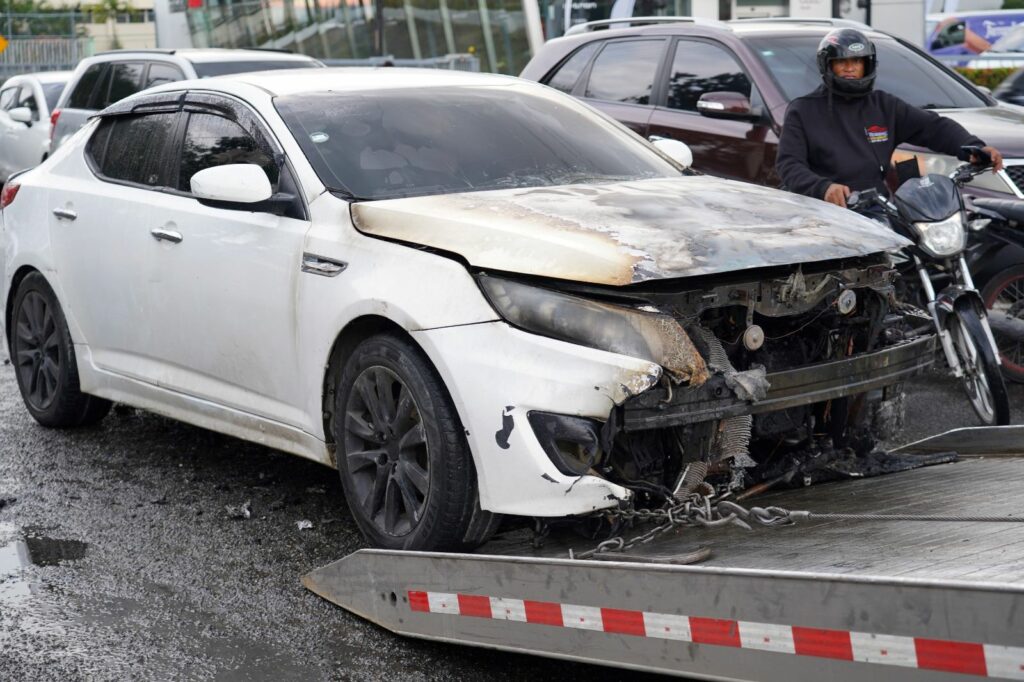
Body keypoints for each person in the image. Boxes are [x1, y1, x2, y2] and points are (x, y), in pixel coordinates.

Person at [776, 28, 1004, 208]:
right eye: (841, 63)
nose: (849, 69)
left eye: (857, 62)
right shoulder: (803, 110)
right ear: (827, 66)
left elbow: (934, 127)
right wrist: (822, 188)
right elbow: (789, 164)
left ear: (868, 65)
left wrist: (974, 147)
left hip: (877, 206)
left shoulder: (884, 106)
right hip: (826, 209)